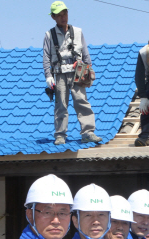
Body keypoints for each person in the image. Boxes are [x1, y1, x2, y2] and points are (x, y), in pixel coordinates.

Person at [43, 1, 102, 145]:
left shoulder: (78, 32)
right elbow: (46, 57)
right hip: (60, 73)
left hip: (78, 73)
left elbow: (85, 53)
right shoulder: (49, 35)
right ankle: (60, 135)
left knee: (82, 101)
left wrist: (89, 70)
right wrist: (48, 76)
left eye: (65, 13)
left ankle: (88, 132)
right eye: (59, 15)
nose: (63, 17)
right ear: (53, 17)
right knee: (61, 104)